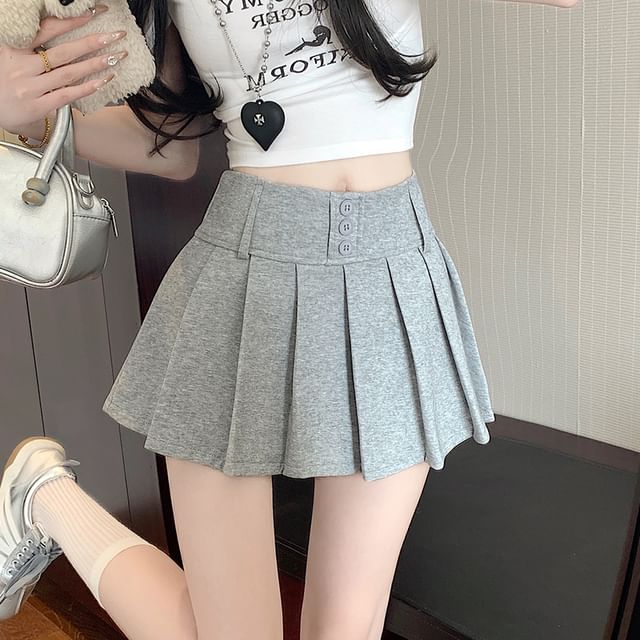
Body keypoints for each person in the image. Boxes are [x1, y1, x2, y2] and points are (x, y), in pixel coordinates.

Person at [0, 0, 577, 638]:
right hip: (243, 272)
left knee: (346, 629)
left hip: (388, 276)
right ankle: (44, 498)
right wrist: (24, 113)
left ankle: (43, 494)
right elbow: (167, 146)